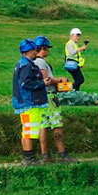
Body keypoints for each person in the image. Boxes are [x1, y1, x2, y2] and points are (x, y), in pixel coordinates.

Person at [33, 35, 75, 164]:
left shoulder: (33, 62)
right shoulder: (40, 62)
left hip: (41, 97)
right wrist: (61, 80)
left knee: (43, 126)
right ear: (43, 48)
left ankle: (45, 155)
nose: (48, 52)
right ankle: (62, 154)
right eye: (47, 49)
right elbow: (47, 80)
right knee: (57, 125)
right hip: (50, 97)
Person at [12, 39, 50, 166]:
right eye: (34, 50)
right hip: (29, 102)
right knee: (30, 131)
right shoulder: (27, 65)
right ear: (28, 51)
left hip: (26, 102)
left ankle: (28, 157)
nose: (35, 52)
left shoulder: (22, 64)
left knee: (27, 130)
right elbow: (25, 83)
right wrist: (42, 83)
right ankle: (29, 158)